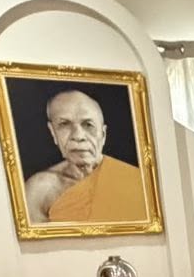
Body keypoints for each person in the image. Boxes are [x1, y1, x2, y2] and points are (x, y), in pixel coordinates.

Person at [23, 90, 148, 226]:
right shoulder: (39, 190)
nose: (78, 136)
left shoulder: (135, 180)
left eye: (88, 125)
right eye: (64, 124)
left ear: (103, 134)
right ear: (53, 132)